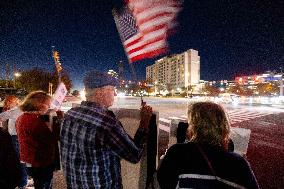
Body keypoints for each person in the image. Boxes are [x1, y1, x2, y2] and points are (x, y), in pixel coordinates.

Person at [60, 70, 153, 189]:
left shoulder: (70, 115)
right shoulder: (106, 123)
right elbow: (135, 154)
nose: (114, 94)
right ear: (99, 93)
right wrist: (145, 122)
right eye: (112, 90)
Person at [157, 101, 259, 189]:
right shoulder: (240, 163)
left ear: (194, 127)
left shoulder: (177, 152)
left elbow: (164, 182)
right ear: (224, 127)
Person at [16, 91, 61, 189]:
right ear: (39, 105)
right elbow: (53, 138)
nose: (49, 107)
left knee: (38, 183)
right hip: (41, 162)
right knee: (45, 184)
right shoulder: (35, 122)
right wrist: (58, 120)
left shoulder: (22, 117)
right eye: (48, 105)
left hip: (29, 159)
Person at [0, 95, 29, 189]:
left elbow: (2, 116)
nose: (7, 104)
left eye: (9, 102)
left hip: (16, 137)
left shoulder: (15, 110)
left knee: (20, 159)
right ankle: (25, 179)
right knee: (22, 158)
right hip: (20, 136)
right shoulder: (20, 110)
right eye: (6, 103)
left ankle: (23, 181)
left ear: (15, 102)